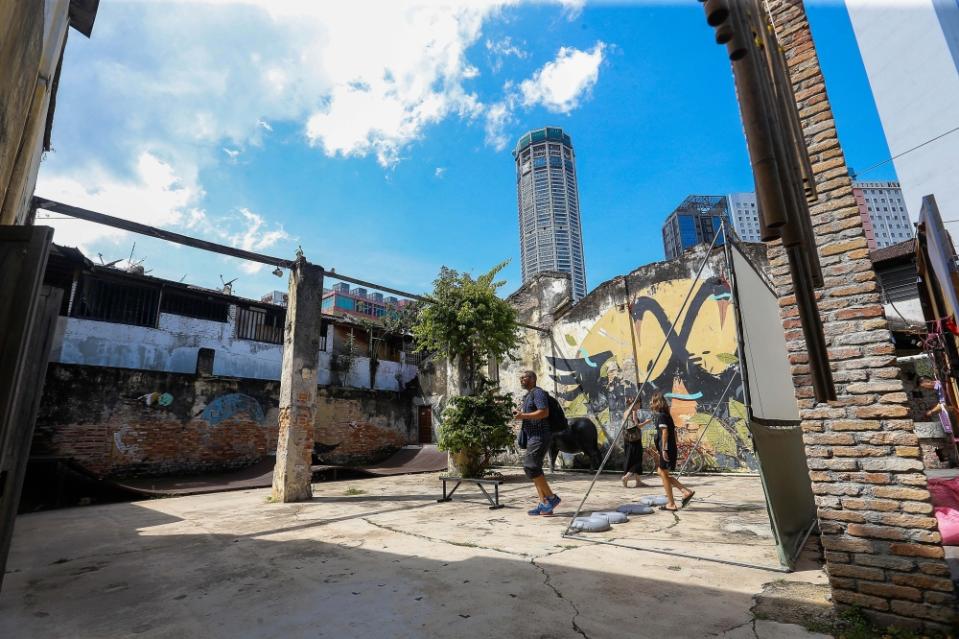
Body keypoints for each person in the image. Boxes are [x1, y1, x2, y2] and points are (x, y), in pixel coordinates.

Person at [513, 370, 561, 516]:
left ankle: (552, 498)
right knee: (535, 470)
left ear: (533, 379)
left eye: (524, 377)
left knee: (530, 466)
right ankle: (545, 504)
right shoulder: (528, 396)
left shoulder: (538, 393)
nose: (521, 380)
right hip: (533, 436)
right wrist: (519, 415)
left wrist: (523, 416)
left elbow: (544, 412)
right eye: (520, 378)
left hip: (540, 435)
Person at [650, 392, 694, 511]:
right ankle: (684, 491)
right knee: (662, 473)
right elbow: (673, 432)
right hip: (669, 448)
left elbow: (665, 432)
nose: (650, 403)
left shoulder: (662, 416)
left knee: (663, 473)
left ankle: (672, 503)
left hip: (667, 449)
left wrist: (664, 449)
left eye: (652, 401)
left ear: (657, 402)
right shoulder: (666, 415)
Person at [918, 375, 956, 440]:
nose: (926, 388)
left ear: (928, 381)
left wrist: (931, 412)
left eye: (925, 386)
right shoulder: (938, 387)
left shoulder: (940, 386)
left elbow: (943, 405)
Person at [623, 399, 650, 488]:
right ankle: (626, 477)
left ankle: (638, 481)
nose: (639, 406)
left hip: (627, 439)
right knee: (637, 460)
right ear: (634, 404)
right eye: (638, 404)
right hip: (635, 440)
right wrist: (646, 422)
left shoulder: (626, 412)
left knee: (629, 459)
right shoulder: (633, 412)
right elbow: (638, 426)